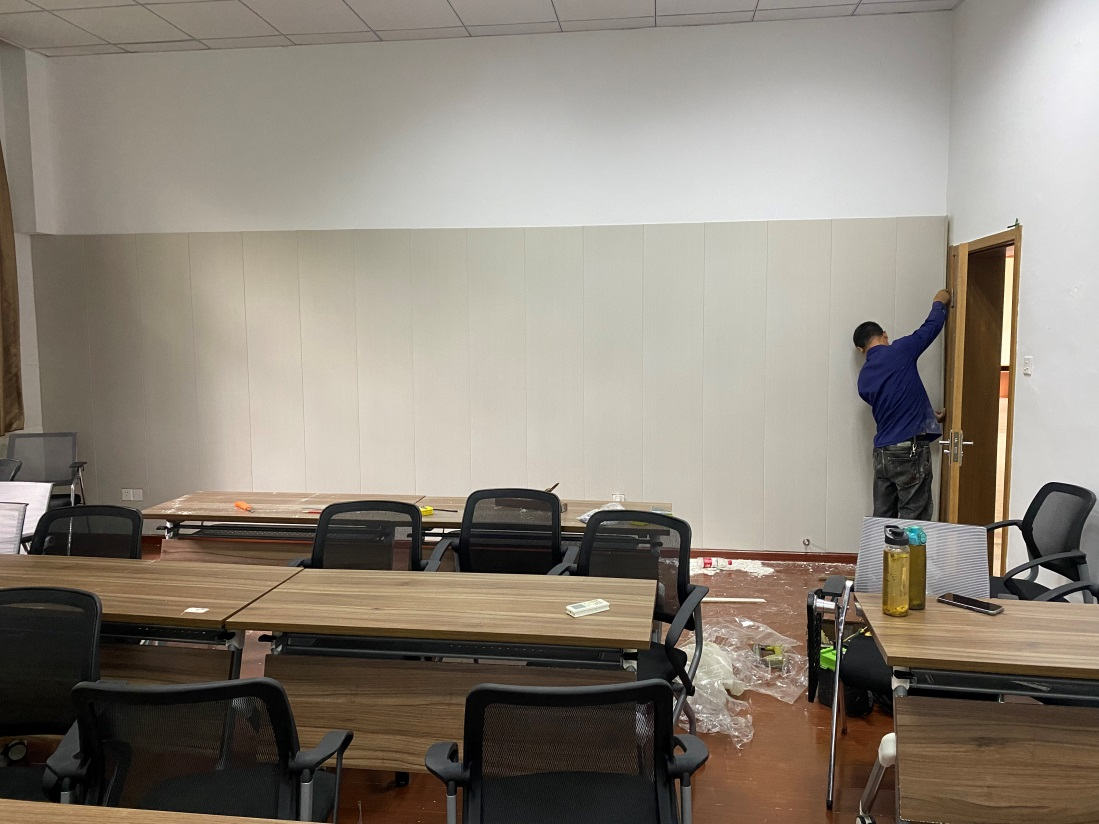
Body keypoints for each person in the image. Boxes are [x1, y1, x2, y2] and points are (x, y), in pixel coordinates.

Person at [853, 288, 951, 519]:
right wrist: (939, 302)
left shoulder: (864, 377)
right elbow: (930, 328)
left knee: (882, 519)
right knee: (914, 520)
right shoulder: (900, 350)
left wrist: (927, 415)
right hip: (909, 451)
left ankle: (878, 545)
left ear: (860, 349)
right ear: (884, 335)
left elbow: (892, 403)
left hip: (882, 454)